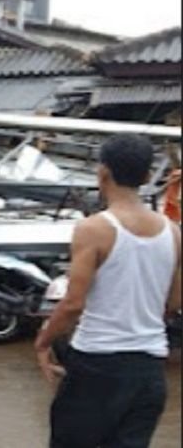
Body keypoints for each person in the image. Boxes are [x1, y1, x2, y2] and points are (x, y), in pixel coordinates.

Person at [35, 134, 181, 448]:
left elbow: (73, 304)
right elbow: (174, 302)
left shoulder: (93, 229)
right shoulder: (174, 232)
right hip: (149, 372)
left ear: (103, 173)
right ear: (145, 176)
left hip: (97, 365)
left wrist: (43, 341)